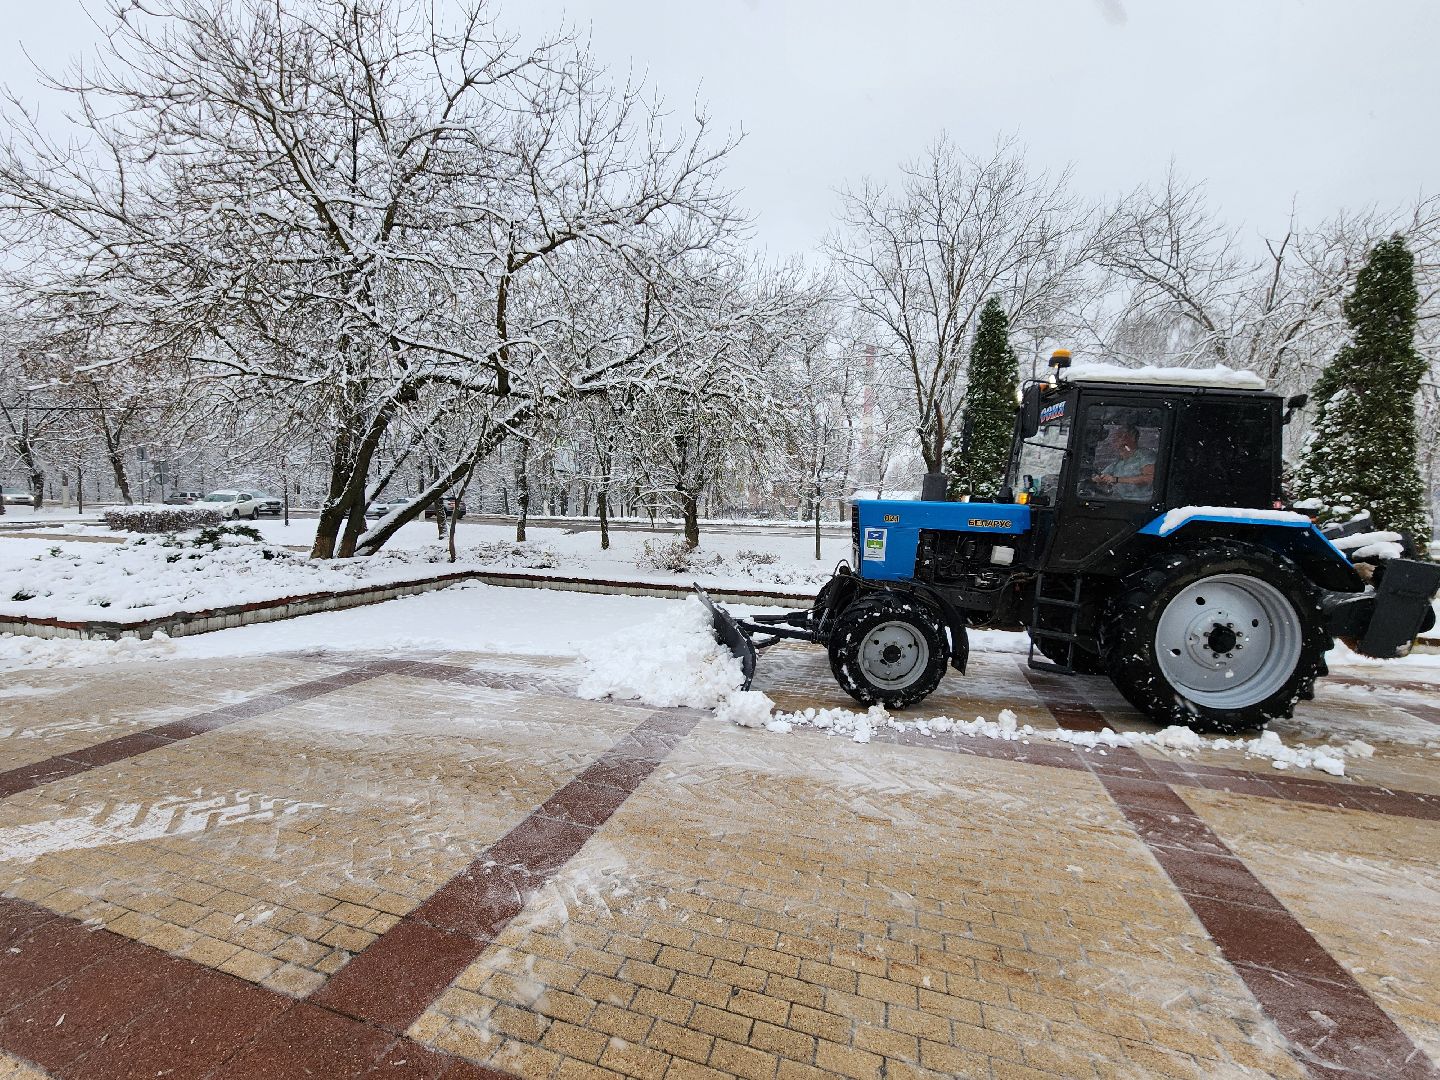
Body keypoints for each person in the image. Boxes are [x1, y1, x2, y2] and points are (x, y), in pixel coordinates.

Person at [1091, 424, 1156, 497]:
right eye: (1115, 437)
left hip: (1141, 502)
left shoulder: (1145, 456)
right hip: (1121, 501)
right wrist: (1099, 479)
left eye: (1120, 436)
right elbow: (1104, 476)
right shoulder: (1118, 461)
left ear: (1133, 438)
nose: (1115, 440)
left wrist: (1116, 479)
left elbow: (1150, 478)